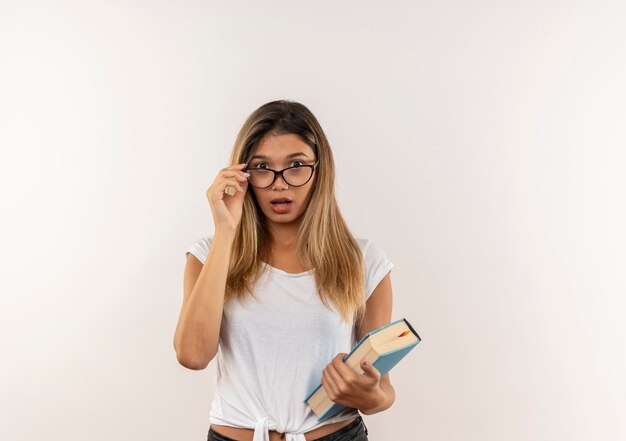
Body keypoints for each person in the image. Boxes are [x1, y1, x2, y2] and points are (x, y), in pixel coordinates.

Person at [174, 100, 395, 441]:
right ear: (242, 174)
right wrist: (226, 231)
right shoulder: (209, 254)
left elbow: (383, 391)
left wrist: (369, 395)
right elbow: (192, 355)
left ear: (319, 171)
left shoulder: (363, 260)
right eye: (262, 167)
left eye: (296, 165)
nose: (280, 183)